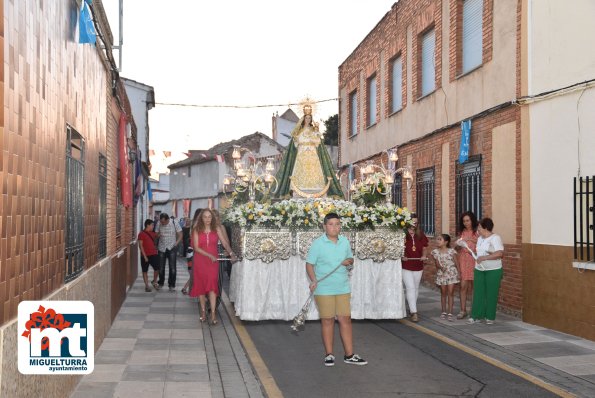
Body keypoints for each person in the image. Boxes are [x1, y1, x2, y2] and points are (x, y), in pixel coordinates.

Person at [306, 213, 367, 367]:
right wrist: (313, 280)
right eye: (331, 224)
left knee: (345, 319)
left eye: (337, 224)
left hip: (342, 286)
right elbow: (309, 264)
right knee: (327, 320)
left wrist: (349, 261)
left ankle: (349, 354)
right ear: (324, 226)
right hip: (324, 288)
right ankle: (329, 354)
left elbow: (350, 260)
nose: (335, 227)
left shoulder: (344, 242)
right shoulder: (318, 244)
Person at [274, 104, 343, 198]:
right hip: (302, 153)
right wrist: (302, 140)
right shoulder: (299, 131)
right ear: (303, 119)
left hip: (312, 153)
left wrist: (316, 133)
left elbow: (318, 142)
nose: (308, 120)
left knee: (314, 169)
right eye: (306, 118)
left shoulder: (314, 130)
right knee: (301, 169)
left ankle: (316, 187)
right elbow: (296, 142)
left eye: (310, 118)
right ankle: (299, 187)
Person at [190, 209, 237, 325]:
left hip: (213, 262)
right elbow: (196, 248)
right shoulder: (196, 229)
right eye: (205, 217)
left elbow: (225, 243)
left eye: (209, 217)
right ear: (201, 218)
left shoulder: (216, 229)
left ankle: (213, 313)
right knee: (201, 287)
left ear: (212, 218)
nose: (207, 219)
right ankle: (203, 312)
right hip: (200, 260)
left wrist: (231, 253)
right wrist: (209, 255)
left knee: (212, 287)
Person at [468, 218, 504, 325]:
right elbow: (479, 252)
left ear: (486, 228)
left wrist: (484, 258)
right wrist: (472, 252)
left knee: (491, 293)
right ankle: (476, 316)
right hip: (479, 269)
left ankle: (490, 316)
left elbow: (500, 254)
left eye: (479, 227)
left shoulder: (495, 238)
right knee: (478, 292)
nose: (477, 229)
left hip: (493, 270)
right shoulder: (480, 238)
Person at [401, 213, 429, 322]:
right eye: (412, 222)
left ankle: (413, 308)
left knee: (416, 288)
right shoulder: (402, 234)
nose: (414, 224)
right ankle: (414, 312)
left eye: (416, 222)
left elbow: (425, 247)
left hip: (418, 265)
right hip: (406, 265)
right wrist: (402, 256)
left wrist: (424, 255)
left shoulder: (420, 234)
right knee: (410, 287)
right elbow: (398, 249)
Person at [455, 211, 479, 319]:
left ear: (472, 220)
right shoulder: (462, 232)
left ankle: (473, 310)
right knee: (463, 285)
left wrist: (471, 240)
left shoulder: (477, 232)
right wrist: (458, 244)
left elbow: (482, 246)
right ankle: (462, 310)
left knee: (474, 286)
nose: (466, 223)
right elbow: (456, 249)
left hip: (474, 260)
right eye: (464, 221)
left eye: (468, 220)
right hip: (463, 259)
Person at [431, 234, 460, 321]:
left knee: (450, 293)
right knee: (443, 293)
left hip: (451, 273)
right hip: (442, 274)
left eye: (440, 239)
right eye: (437, 239)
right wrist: (440, 267)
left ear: (446, 242)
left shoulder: (452, 251)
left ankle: (450, 312)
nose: (437, 241)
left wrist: (459, 273)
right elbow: (436, 263)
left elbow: (456, 263)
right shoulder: (435, 252)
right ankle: (443, 311)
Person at [155, 213, 183, 292]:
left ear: (168, 219)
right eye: (161, 222)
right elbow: (156, 234)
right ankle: (161, 283)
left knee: (172, 268)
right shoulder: (158, 223)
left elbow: (180, 234)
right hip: (161, 247)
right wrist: (158, 235)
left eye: (164, 222)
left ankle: (171, 285)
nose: (162, 223)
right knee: (161, 267)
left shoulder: (174, 222)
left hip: (172, 247)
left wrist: (176, 244)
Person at [181, 209, 203, 295]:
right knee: (195, 272)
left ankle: (187, 288)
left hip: (191, 250)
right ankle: (187, 288)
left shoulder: (194, 224)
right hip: (194, 251)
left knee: (195, 272)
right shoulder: (197, 225)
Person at [138, 219, 159, 292]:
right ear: (148, 225)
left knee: (157, 268)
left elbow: (158, 235)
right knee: (145, 271)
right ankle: (147, 286)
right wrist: (145, 256)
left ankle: (154, 281)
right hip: (145, 255)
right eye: (152, 225)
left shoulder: (153, 233)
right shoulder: (141, 234)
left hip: (153, 254)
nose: (153, 226)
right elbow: (140, 246)